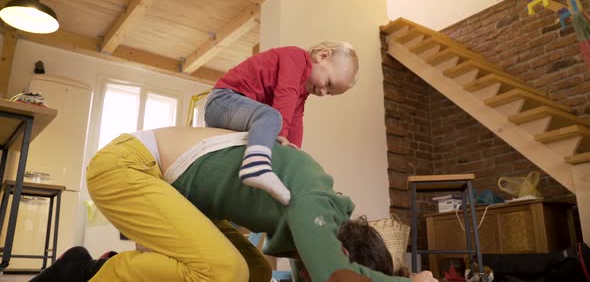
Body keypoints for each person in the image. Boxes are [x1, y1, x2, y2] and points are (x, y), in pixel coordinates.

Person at [31, 126, 437, 282]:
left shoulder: (312, 229)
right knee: (225, 270)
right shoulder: (315, 204)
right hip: (127, 166)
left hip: (172, 190)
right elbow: (336, 276)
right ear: (343, 251)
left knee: (256, 272)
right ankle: (96, 270)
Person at [204, 42, 359, 205]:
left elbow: (296, 121)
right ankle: (256, 169)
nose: (323, 92)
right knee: (272, 117)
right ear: (322, 56)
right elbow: (285, 95)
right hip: (223, 101)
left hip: (238, 114)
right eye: (328, 83)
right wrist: (281, 136)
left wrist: (295, 154)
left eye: (329, 93)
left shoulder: (302, 92)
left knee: (274, 136)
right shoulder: (296, 57)